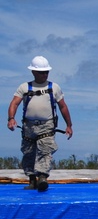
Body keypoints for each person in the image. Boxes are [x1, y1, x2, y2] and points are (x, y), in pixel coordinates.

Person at [7, 56, 73, 191]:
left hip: (47, 125)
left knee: (45, 149)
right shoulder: (24, 87)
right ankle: (32, 180)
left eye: (46, 72)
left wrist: (69, 125)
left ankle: (42, 177)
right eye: (41, 72)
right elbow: (14, 103)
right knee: (28, 151)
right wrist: (11, 118)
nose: (44, 75)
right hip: (28, 126)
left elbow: (63, 106)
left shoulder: (54, 87)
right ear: (33, 72)